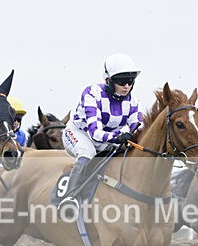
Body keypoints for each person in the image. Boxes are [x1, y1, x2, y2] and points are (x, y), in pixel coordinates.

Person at [60, 53, 144, 211]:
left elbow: (138, 127)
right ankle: (69, 197)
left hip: (107, 139)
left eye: (130, 81)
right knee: (87, 151)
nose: (127, 86)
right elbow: (94, 132)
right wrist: (117, 137)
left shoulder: (133, 102)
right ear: (108, 80)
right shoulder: (92, 93)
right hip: (81, 133)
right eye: (121, 81)